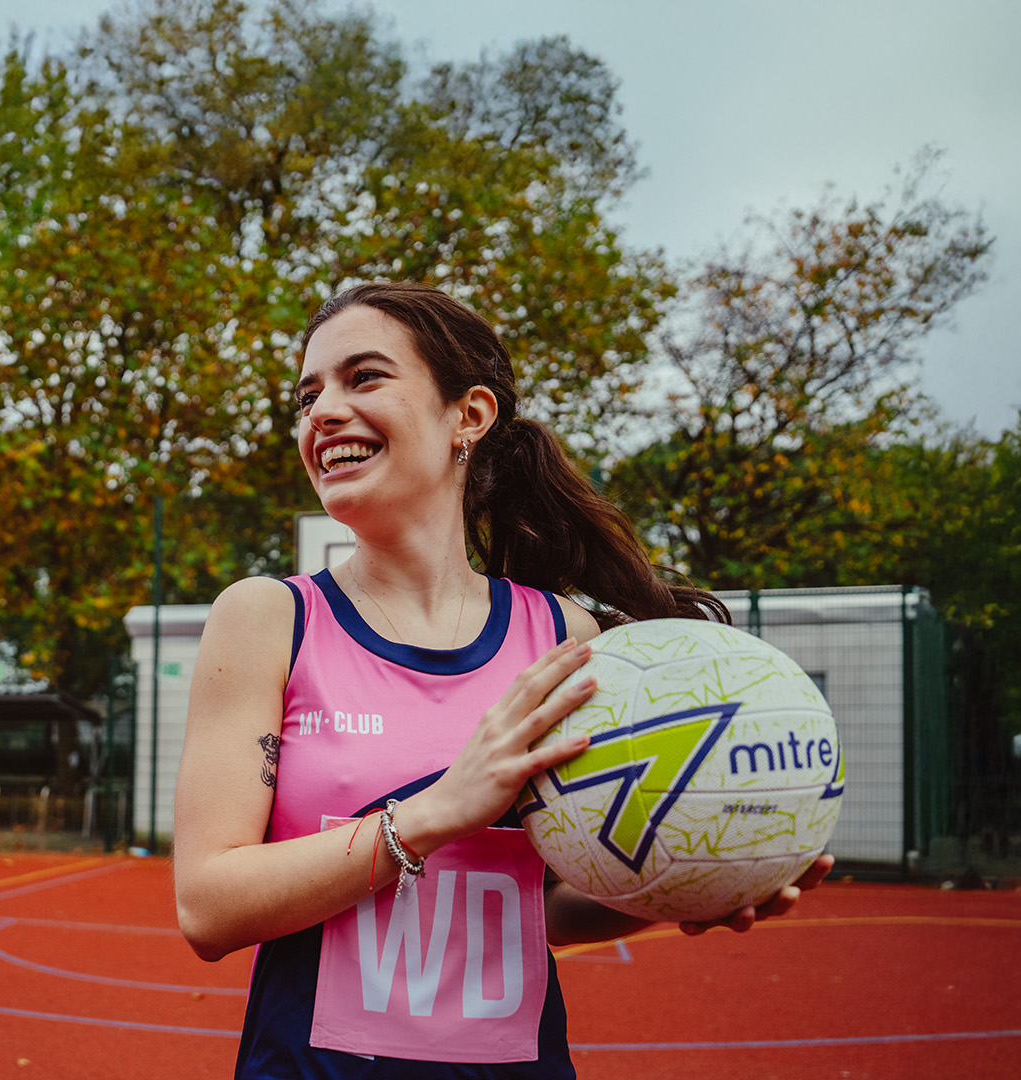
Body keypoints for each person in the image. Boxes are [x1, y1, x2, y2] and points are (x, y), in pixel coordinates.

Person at [173, 281, 832, 1078]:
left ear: (469, 416)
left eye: (365, 377)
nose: (323, 411)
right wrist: (434, 814)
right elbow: (207, 905)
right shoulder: (269, 619)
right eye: (309, 393)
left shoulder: (562, 636)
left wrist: (685, 882)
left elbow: (544, 901)